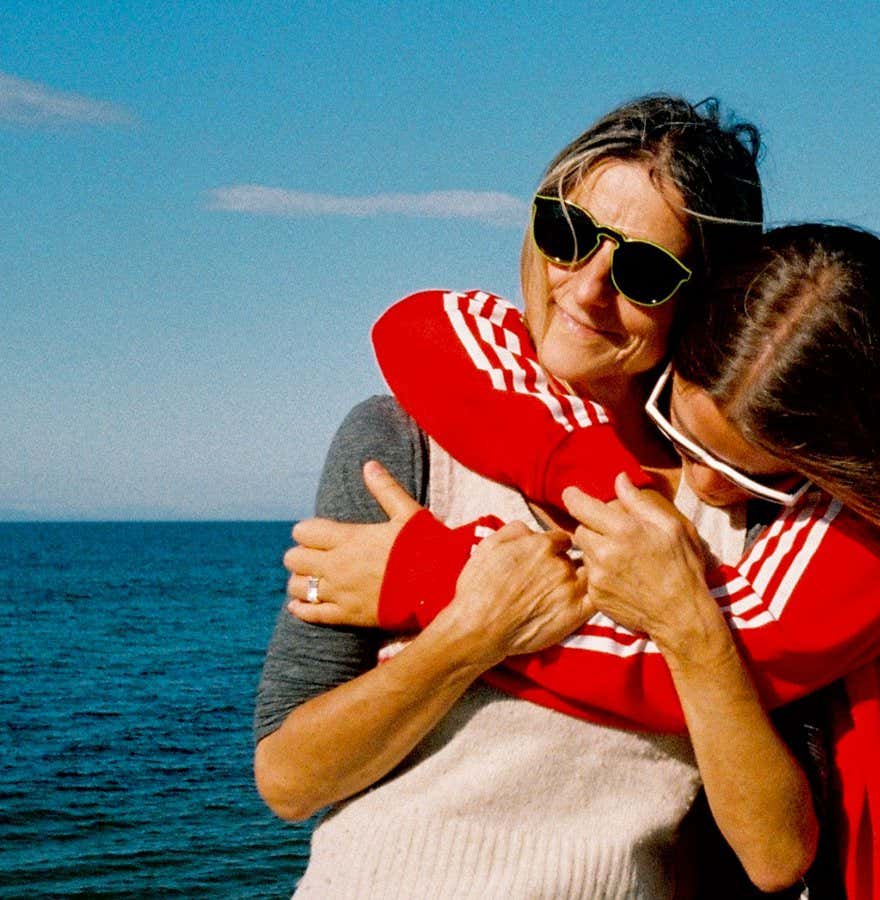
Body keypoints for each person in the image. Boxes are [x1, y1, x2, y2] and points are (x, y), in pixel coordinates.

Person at [285, 225, 880, 897]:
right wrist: (603, 482)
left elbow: (694, 647)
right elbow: (424, 324)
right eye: (678, 430)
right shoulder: (783, 381)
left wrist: (431, 579)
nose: (693, 483)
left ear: (842, 464)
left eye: (734, 471)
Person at [254, 95, 823, 897]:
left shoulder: (742, 502)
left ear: (709, 298)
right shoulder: (400, 440)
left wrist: (689, 621)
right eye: (568, 235)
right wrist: (470, 634)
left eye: (643, 272)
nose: (585, 289)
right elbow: (287, 778)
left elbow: (776, 854)